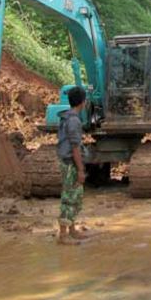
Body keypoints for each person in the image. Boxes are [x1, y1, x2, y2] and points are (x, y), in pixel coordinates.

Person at [56, 86, 88, 245]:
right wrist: (81, 170)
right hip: (70, 163)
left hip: (66, 161)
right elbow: (75, 147)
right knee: (70, 197)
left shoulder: (66, 117)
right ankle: (63, 235)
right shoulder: (74, 120)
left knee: (75, 195)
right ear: (83, 102)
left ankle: (72, 229)